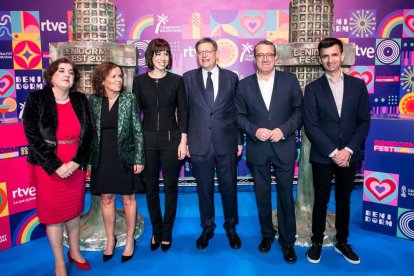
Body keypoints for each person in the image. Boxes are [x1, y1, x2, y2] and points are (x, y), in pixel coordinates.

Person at [23, 58, 94, 275]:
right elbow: (33, 137)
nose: (67, 75)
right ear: (51, 75)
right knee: (53, 216)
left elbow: (90, 134)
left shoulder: (80, 99)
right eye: (61, 71)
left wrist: (75, 163)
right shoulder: (37, 99)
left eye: (71, 73)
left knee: (73, 212)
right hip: (48, 168)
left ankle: (75, 251)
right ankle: (59, 262)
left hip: (75, 165)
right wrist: (55, 165)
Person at [304, 37, 370, 265]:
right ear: (320, 60)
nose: (330, 60)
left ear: (342, 56)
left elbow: (364, 122)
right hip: (324, 155)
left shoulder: (358, 85)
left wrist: (348, 150)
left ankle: (343, 242)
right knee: (320, 200)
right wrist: (334, 152)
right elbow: (311, 125)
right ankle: (316, 242)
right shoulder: (312, 89)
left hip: (350, 156)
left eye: (334, 55)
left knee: (344, 201)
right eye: (325, 56)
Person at [235, 40, 303, 264]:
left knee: (285, 195)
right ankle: (267, 235)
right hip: (258, 148)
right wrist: (255, 130)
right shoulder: (243, 85)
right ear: (254, 59)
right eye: (260, 55)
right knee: (262, 195)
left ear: (276, 57)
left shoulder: (290, 81)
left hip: (283, 146)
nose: (265, 58)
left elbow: (299, 111)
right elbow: (239, 116)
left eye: (269, 54)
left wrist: (283, 130)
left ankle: (287, 242)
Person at [183, 37, 242, 250]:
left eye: (208, 51)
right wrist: (186, 140)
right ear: (197, 55)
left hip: (226, 142)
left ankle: (231, 228)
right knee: (204, 189)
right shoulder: (188, 78)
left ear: (217, 53)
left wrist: (238, 140)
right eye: (200, 52)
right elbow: (185, 112)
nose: (205, 55)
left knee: (229, 187)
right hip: (199, 143)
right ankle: (207, 229)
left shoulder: (231, 78)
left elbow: (237, 112)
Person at [132, 38, 188, 252]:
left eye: (165, 53)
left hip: (171, 139)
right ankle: (156, 230)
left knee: (171, 188)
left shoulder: (177, 81)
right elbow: (135, 116)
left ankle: (167, 231)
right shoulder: (139, 82)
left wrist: (183, 141)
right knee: (151, 189)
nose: (162, 58)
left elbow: (183, 112)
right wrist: (137, 147)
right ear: (150, 57)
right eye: (158, 53)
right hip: (147, 140)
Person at [89, 62, 144, 263]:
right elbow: (89, 133)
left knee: (129, 199)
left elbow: (137, 130)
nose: (119, 80)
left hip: (126, 156)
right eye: (113, 76)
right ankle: (110, 239)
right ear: (102, 80)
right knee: (106, 199)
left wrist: (139, 158)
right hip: (102, 157)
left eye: (120, 76)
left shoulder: (129, 99)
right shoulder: (93, 101)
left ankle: (129, 240)